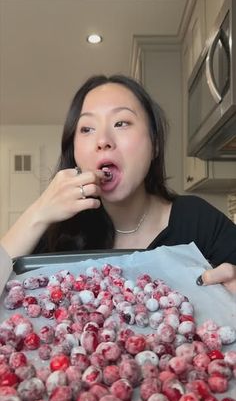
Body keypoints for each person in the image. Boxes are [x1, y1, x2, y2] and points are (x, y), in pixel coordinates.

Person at [0, 75, 236, 293]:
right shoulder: (58, 231)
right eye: (87, 129)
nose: (102, 140)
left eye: (122, 123)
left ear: (154, 144)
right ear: (74, 152)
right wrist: (38, 214)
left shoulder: (198, 220)